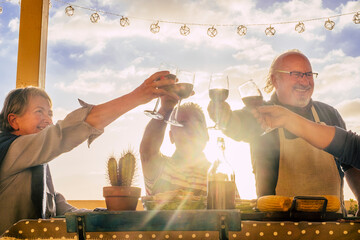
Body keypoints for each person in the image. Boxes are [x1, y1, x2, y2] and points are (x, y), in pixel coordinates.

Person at [0, 71, 178, 234]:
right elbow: (63, 134)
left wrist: (105, 217)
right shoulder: (13, 150)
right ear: (13, 121)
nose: (48, 119)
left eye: (50, 113)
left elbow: (62, 209)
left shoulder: (36, 165)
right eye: (39, 111)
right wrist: (139, 95)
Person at [208, 49, 360, 214]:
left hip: (333, 224)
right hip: (279, 225)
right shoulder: (262, 112)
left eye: (308, 74)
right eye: (295, 74)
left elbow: (350, 164)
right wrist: (224, 118)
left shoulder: (330, 113)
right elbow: (237, 124)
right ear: (275, 79)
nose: (304, 81)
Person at [254, 104, 360, 216]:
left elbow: (350, 149)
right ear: (274, 84)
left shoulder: (330, 113)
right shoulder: (264, 121)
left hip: (333, 221)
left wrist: (288, 119)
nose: (304, 85)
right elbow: (350, 146)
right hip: (284, 223)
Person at [140, 93, 210, 196]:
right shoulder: (161, 167)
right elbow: (147, 152)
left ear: (207, 135)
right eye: (182, 123)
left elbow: (236, 210)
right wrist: (166, 109)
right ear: (171, 137)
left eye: (197, 123)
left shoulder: (219, 175)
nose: (191, 129)